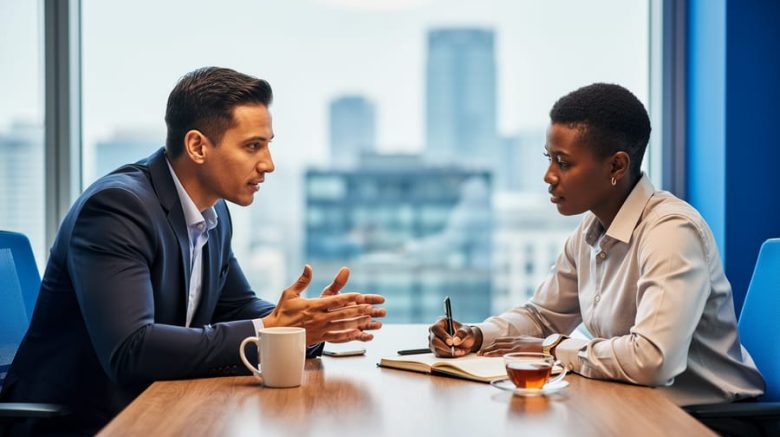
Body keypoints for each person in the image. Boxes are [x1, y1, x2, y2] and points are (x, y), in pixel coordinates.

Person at [0, 67, 386, 435]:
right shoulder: (117, 209)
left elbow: (237, 307)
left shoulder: (213, 211)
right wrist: (271, 328)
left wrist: (306, 324)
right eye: (253, 146)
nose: (268, 164)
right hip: (81, 423)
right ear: (198, 146)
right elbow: (130, 349)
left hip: (161, 410)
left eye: (267, 145)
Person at [429, 83, 765, 406]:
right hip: (633, 406)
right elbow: (543, 317)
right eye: (549, 158)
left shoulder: (670, 232)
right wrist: (477, 335)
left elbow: (653, 360)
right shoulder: (591, 230)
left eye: (563, 162)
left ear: (616, 166)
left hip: (709, 419)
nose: (548, 175)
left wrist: (550, 349)